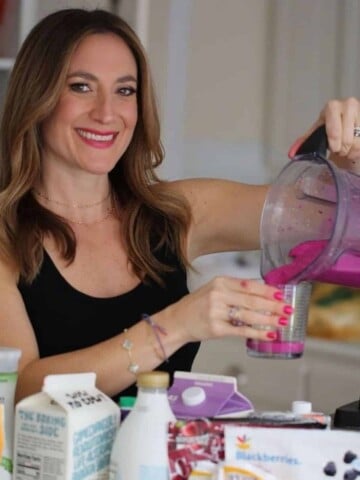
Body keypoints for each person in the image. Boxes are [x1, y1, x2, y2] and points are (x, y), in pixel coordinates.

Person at [0, 8, 358, 404]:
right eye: (81, 87)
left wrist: (346, 160)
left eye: (125, 90)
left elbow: (329, 220)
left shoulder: (175, 213)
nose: (106, 113)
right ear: (38, 97)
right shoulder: (5, 237)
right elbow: (19, 392)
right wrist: (177, 324)